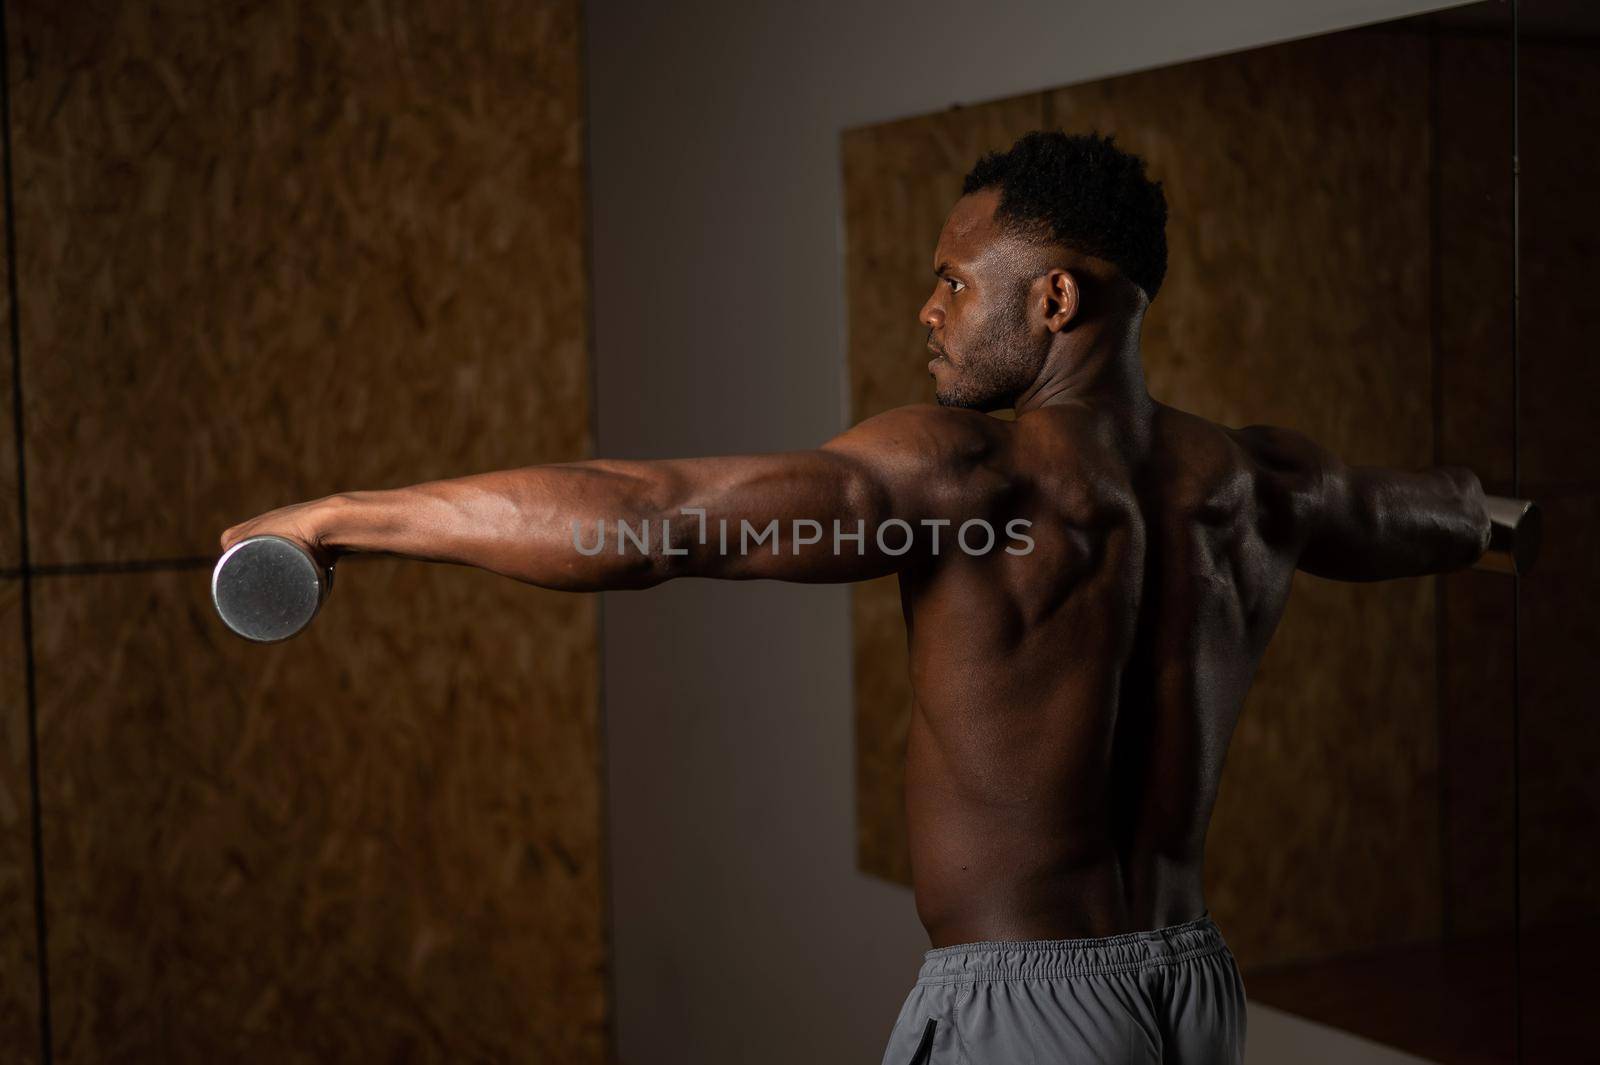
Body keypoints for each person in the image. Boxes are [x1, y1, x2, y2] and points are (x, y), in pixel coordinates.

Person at [220, 131, 1525, 1064]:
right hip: (1196, 988)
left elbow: (653, 518)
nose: (931, 307)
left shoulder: (971, 476)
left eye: (959, 278)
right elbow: (1447, 513)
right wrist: (1506, 523)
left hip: (1034, 1013)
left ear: (1056, 298)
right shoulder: (1259, 484)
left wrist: (340, 517)